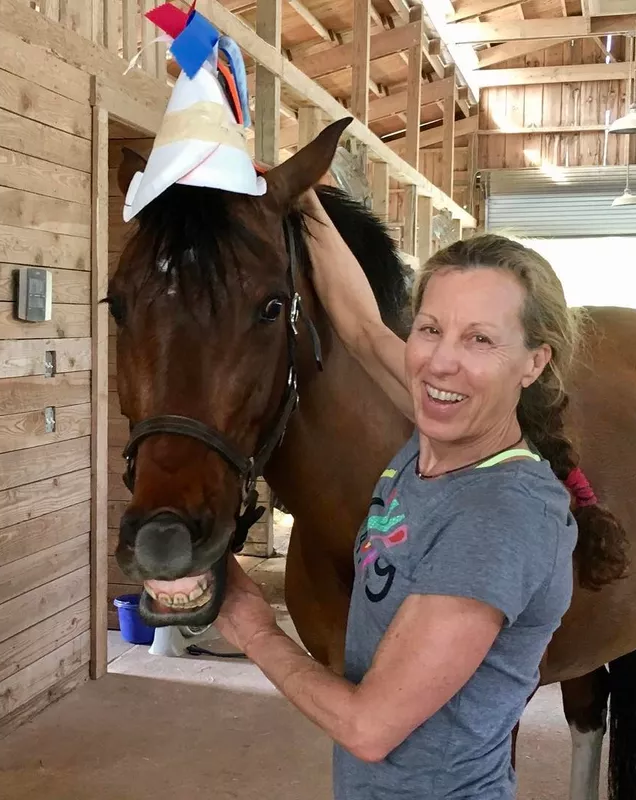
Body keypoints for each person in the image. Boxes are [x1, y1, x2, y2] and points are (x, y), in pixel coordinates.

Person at [214, 191, 583, 800]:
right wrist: (307, 204)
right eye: (430, 329)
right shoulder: (436, 432)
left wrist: (255, 629)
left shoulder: (498, 516)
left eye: (480, 341)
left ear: (534, 362)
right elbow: (360, 326)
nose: (441, 363)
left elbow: (369, 727)